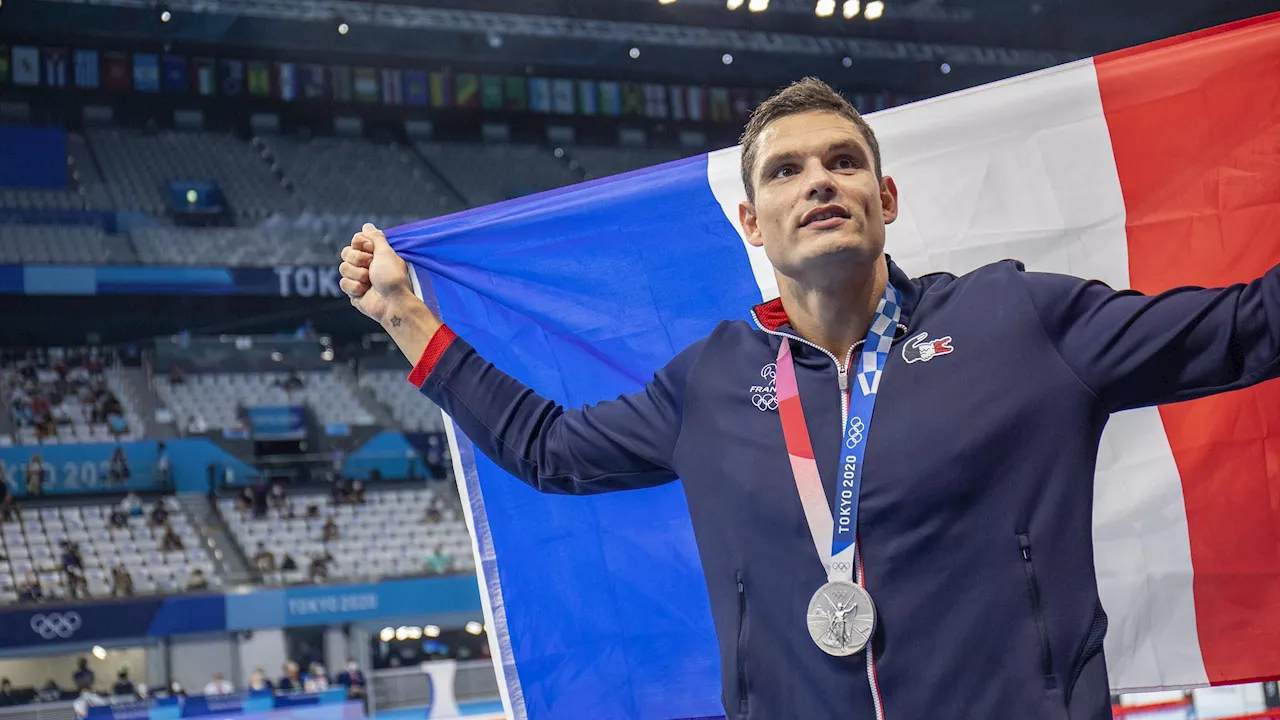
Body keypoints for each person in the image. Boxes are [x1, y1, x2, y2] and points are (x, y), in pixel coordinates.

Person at [338, 77, 1280, 720]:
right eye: (785, 171)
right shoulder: (708, 382)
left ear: (888, 196)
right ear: (751, 221)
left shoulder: (1018, 321)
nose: (818, 181)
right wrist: (403, 316)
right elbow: (548, 448)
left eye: (842, 161)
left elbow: (1248, 328)